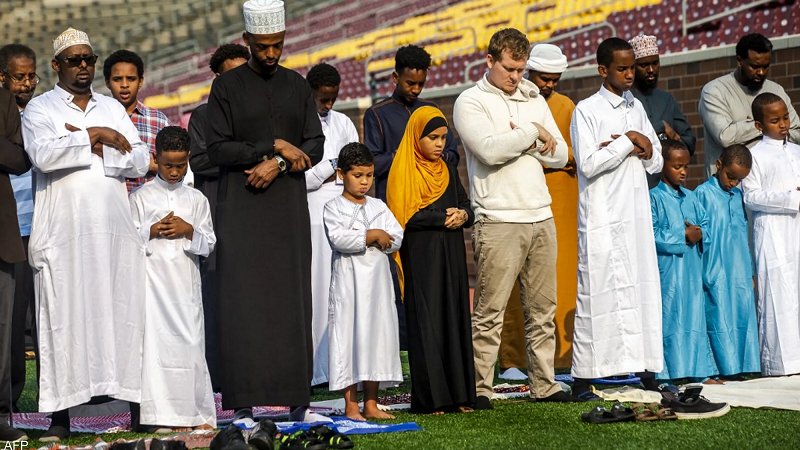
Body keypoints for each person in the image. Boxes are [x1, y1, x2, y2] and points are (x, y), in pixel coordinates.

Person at [21, 28, 149, 441]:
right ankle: (60, 419)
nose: (82, 66)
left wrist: (85, 145)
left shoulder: (111, 106)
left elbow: (139, 159)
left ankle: (137, 410)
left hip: (112, 231)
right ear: (56, 65)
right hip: (64, 233)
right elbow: (42, 155)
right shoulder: (39, 108)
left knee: (122, 315)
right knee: (62, 319)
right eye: (73, 60)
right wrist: (94, 136)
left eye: (88, 59)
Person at [204, 0, 327, 424]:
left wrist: (277, 165)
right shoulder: (226, 87)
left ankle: (296, 400)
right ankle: (243, 401)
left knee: (292, 300)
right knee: (242, 301)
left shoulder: (297, 85)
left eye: (277, 45)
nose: (271, 53)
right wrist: (272, 146)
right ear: (247, 41)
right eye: (262, 46)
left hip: (288, 210)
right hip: (240, 209)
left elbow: (314, 145)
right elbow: (217, 149)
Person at [453, 28, 579, 409]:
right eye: (509, 68)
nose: (516, 77)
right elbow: (489, 151)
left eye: (521, 70)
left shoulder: (534, 97)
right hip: (497, 217)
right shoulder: (470, 101)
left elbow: (562, 155)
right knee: (489, 310)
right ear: (489, 60)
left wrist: (522, 140)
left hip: (541, 214)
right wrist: (533, 134)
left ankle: (544, 384)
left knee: (543, 310)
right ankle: (480, 387)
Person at [569, 37, 664, 400]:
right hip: (603, 215)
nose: (629, 75)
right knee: (598, 291)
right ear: (602, 69)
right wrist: (628, 141)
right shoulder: (587, 110)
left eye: (632, 68)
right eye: (621, 69)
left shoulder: (636, 105)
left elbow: (655, 160)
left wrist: (643, 146)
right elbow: (588, 163)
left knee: (641, 287)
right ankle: (585, 376)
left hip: (636, 214)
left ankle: (647, 369)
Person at [363, 44, 460, 351]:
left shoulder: (430, 111)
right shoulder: (377, 114)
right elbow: (373, 163)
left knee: (432, 281)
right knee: (397, 281)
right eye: (410, 83)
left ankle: (434, 345)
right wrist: (408, 156)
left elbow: (453, 154)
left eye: (421, 83)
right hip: (396, 210)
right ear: (395, 77)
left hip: (433, 210)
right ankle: (402, 350)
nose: (416, 89)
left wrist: (432, 155)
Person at [387, 106, 476, 414]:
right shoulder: (404, 170)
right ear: (417, 137)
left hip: (452, 255)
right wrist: (442, 219)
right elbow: (405, 215)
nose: (440, 144)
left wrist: (464, 215)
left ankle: (460, 396)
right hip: (422, 257)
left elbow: (465, 203)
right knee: (428, 323)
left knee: (454, 317)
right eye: (433, 138)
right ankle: (431, 400)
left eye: (443, 138)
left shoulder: (447, 169)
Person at [498, 43, 579, 379]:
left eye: (555, 79)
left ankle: (561, 357)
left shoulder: (567, 106)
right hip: (520, 194)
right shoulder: (513, 102)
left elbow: (572, 153)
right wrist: (544, 151)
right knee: (515, 276)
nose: (549, 85)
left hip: (562, 197)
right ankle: (513, 359)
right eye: (544, 78)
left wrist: (551, 153)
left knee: (561, 278)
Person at [129, 126, 216, 432]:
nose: (175, 171)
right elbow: (127, 241)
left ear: (189, 158)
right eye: (168, 165)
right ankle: (158, 417)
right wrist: (151, 230)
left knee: (191, 345)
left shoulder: (196, 199)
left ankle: (193, 414)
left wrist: (188, 230)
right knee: (155, 349)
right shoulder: (140, 197)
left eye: (181, 165)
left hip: (185, 288)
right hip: (152, 289)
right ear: (156, 158)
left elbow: (209, 243)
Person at [324, 142, 403, 421]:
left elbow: (396, 235)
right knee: (349, 338)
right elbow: (339, 238)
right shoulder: (333, 207)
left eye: (369, 175)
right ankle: (351, 405)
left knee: (376, 339)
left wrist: (380, 236)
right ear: (341, 174)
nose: (364, 182)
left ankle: (371, 403)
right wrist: (371, 236)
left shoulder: (378, 206)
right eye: (357, 175)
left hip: (378, 287)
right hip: (350, 285)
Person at [187, 42, 249, 392]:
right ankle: (217, 377)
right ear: (216, 79)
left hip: (254, 217)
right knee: (214, 296)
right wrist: (247, 156)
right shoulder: (203, 116)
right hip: (217, 216)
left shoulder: (259, 114)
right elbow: (200, 160)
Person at [305, 62, 359, 387]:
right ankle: (319, 370)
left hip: (345, 208)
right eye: (323, 98)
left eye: (333, 98)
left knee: (346, 288)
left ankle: (347, 367)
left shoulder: (344, 122)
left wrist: (337, 171)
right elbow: (302, 179)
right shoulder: (299, 123)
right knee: (319, 289)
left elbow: (357, 166)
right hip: (314, 213)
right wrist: (331, 166)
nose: (328, 104)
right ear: (310, 93)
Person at [741, 93, 800, 376]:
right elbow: (750, 196)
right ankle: (779, 365)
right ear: (759, 125)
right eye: (775, 121)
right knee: (778, 293)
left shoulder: (797, 151)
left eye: (786, 117)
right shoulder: (755, 155)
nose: (783, 124)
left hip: (796, 229)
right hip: (773, 233)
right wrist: (790, 197)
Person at [650, 139, 718, 382]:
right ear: (662, 166)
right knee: (670, 318)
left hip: (692, 268)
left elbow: (706, 226)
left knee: (694, 317)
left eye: (686, 167)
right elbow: (651, 233)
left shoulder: (692, 197)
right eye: (677, 166)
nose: (683, 172)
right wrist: (682, 235)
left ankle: (698, 371)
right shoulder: (653, 198)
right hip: (668, 271)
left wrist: (700, 233)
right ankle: (666, 374)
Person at [694, 144, 760, 378]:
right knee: (718, 316)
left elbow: (742, 234)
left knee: (741, 315)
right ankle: (720, 370)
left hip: (739, 268)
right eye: (730, 176)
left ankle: (741, 367)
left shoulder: (738, 196)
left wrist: (750, 271)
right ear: (719, 164)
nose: (733, 183)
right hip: (715, 268)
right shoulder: (702, 193)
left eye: (739, 180)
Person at [699, 33, 800, 178]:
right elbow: (725, 136)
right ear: (739, 61)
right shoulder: (715, 91)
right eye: (754, 67)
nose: (761, 72)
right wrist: (766, 127)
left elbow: (797, 132)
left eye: (766, 67)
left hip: (774, 181)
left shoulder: (776, 90)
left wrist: (773, 129)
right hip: (731, 186)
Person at [0, 43, 38, 411]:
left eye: (31, 76)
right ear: (2, 77)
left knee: (38, 317)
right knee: (10, 320)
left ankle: (38, 397)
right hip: (9, 228)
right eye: (18, 77)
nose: (26, 83)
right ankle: (9, 399)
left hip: (38, 226)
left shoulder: (41, 114)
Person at [0, 79, 31, 443]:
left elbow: (20, 159)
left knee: (3, 330)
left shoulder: (4, 101)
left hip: (3, 233)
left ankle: (1, 412)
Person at [628, 34, 695, 188]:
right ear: (633, 67)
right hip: (637, 186)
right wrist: (660, 127)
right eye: (644, 65)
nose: (651, 70)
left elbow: (689, 141)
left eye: (655, 63)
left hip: (668, 189)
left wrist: (669, 145)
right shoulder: (625, 100)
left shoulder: (666, 99)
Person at [103, 49, 171, 193]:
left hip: (150, 203)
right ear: (107, 82)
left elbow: (172, 166)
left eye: (131, 78)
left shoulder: (159, 121)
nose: (124, 85)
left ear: (140, 81)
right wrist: (147, 164)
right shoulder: (97, 119)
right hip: (110, 202)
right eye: (117, 79)